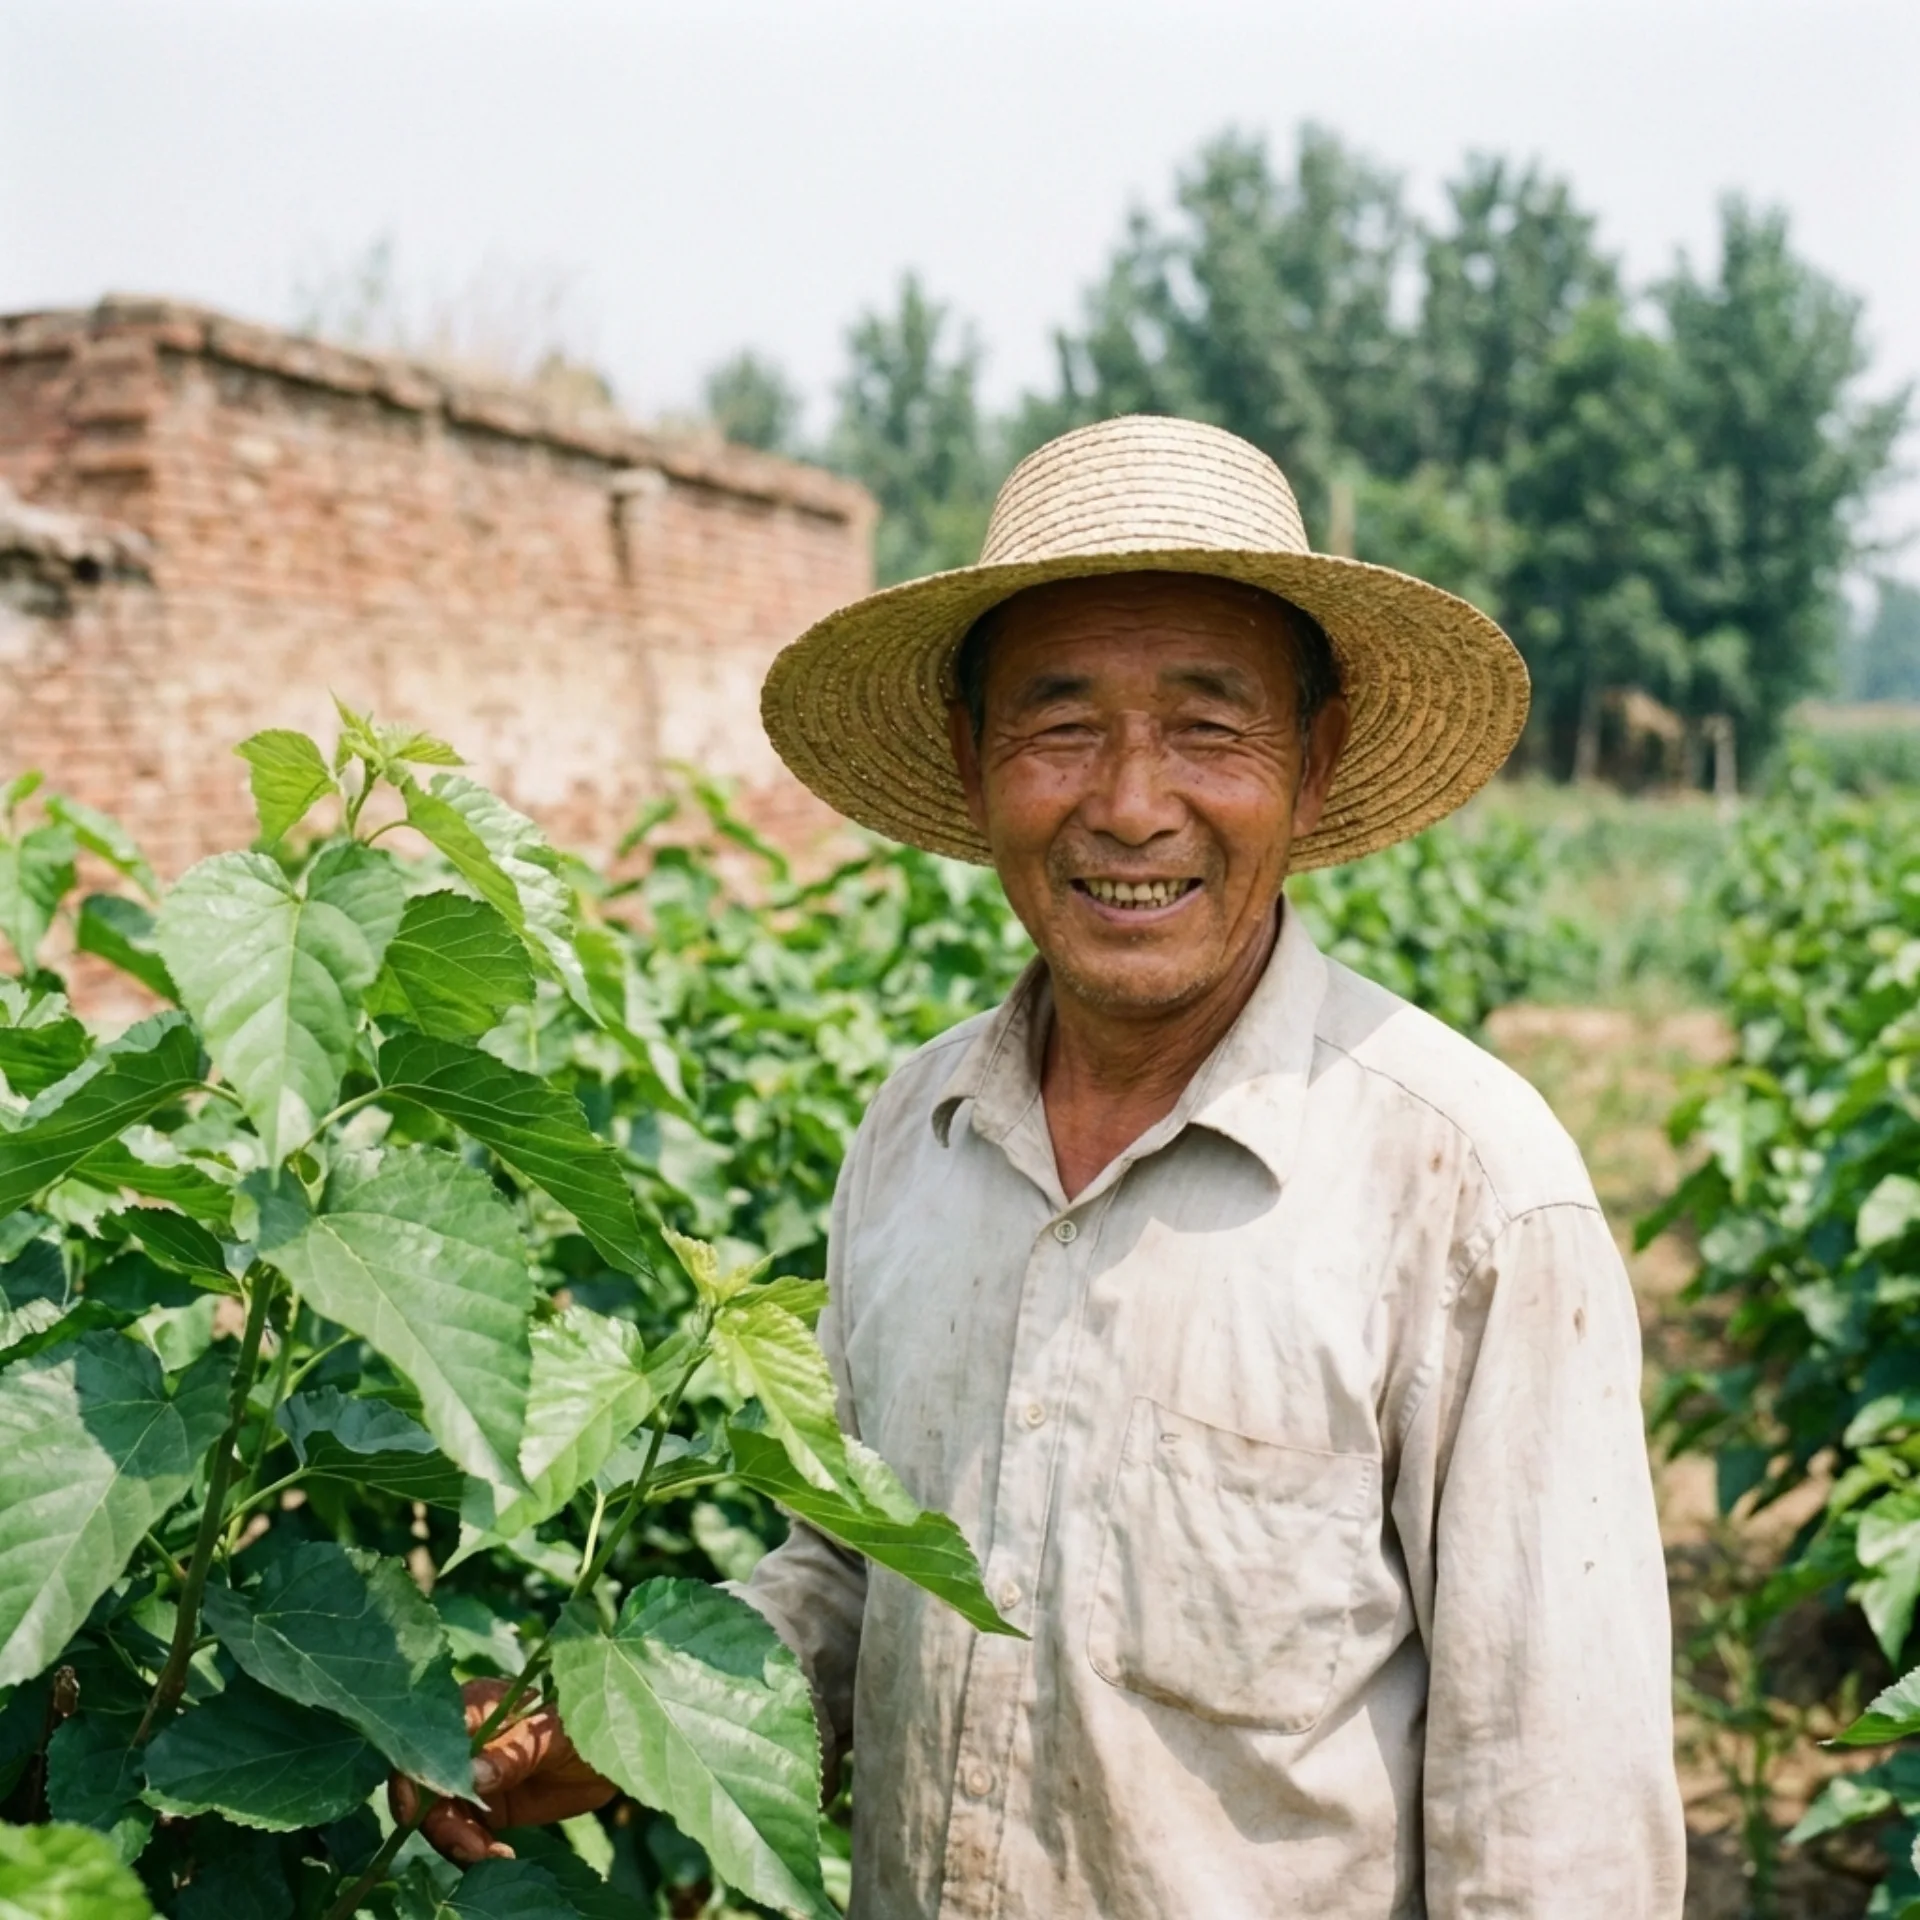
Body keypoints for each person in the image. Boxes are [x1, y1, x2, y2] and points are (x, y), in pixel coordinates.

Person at [404, 415, 1686, 1915]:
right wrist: (622, 1722)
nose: (1133, 803)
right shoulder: (915, 1134)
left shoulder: (1464, 1193)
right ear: (972, 762)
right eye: (1060, 724)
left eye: (1211, 726)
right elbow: (852, 1578)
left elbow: (1556, 1825)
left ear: (1315, 764)